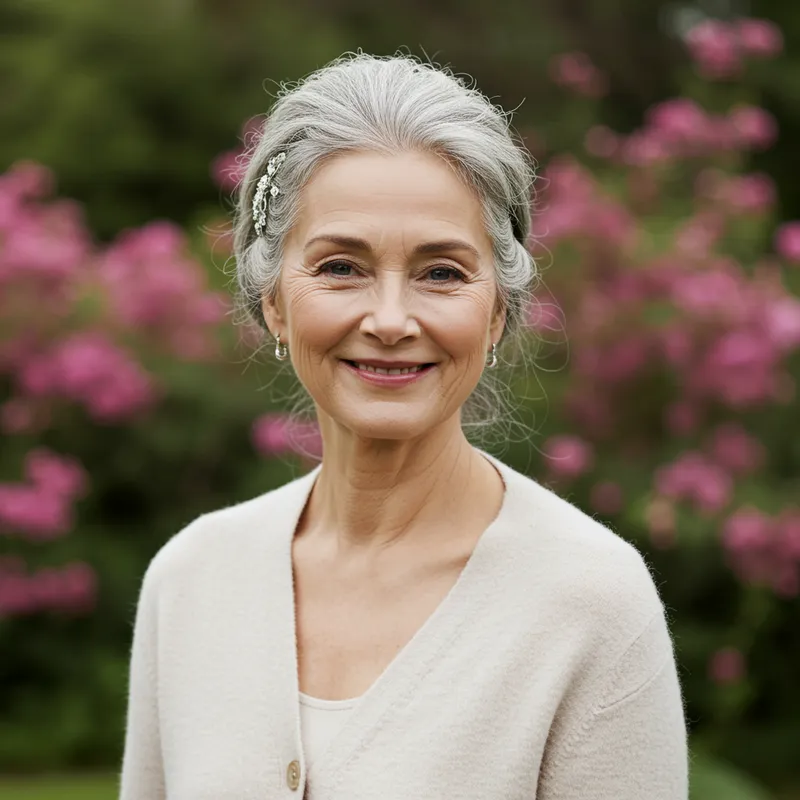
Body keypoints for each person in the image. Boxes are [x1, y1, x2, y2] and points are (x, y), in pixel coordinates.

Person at [118, 53, 688, 799]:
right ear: (274, 304)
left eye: (442, 272)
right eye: (341, 267)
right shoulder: (189, 580)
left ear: (498, 313)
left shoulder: (592, 604)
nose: (390, 320)